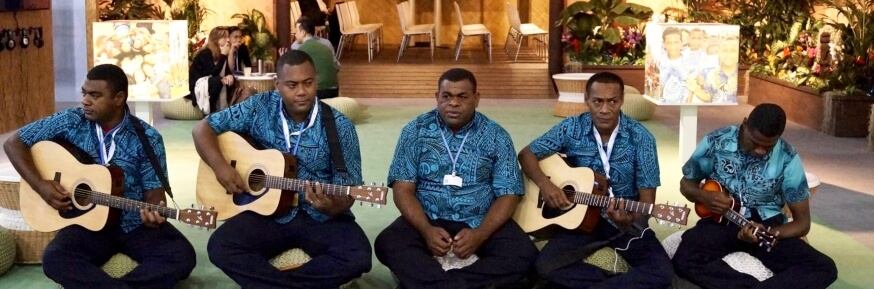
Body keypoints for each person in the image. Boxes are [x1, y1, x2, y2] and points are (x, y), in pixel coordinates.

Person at [3, 64, 196, 288]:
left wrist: (154, 214)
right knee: (55, 258)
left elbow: (154, 194)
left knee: (181, 256)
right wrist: (40, 185)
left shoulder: (147, 138)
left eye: (95, 95)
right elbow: (14, 143)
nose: (85, 100)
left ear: (119, 98)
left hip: (133, 224)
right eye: (84, 93)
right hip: (86, 224)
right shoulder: (70, 121)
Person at [195, 50, 371, 289]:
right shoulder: (259, 107)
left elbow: (349, 191)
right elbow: (202, 129)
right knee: (221, 246)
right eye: (292, 85)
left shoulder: (340, 127)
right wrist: (221, 167)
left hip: (317, 217)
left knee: (358, 256)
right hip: (267, 213)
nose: (301, 91)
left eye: (308, 83)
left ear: (316, 81)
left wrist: (332, 206)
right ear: (277, 85)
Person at [374, 68, 538, 289]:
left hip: (479, 218)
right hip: (428, 216)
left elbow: (509, 194)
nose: (453, 103)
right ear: (437, 97)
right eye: (446, 96)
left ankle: (442, 284)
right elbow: (403, 189)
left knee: (523, 254)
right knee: (387, 243)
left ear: (476, 99)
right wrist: (426, 230)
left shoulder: (496, 136)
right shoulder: (415, 131)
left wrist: (480, 234)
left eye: (462, 96)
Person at [518, 71, 673, 289]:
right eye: (597, 101)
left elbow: (646, 204)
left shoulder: (642, 138)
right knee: (544, 266)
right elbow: (527, 154)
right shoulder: (571, 127)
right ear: (586, 100)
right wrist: (546, 185)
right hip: (580, 220)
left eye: (612, 101)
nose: (605, 110)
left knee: (662, 274)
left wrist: (628, 219)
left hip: (624, 224)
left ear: (622, 101)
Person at [673, 103, 838, 289]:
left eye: (768, 146)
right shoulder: (716, 142)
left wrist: (770, 233)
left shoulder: (788, 157)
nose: (760, 150)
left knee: (824, 268)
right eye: (755, 143)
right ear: (745, 125)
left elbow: (802, 223)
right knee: (684, 259)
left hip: (766, 226)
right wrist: (703, 196)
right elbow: (686, 184)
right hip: (721, 221)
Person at [187, 26, 235, 114]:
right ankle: (212, 112)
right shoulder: (205, 53)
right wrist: (224, 54)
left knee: (231, 81)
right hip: (198, 84)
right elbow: (214, 72)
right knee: (217, 81)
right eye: (224, 37)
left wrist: (230, 76)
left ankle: (229, 110)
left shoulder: (221, 52)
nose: (228, 40)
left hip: (210, 82)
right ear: (216, 39)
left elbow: (226, 70)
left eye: (228, 37)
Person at [293, 16, 340, 99]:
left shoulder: (301, 49)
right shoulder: (326, 45)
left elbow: (295, 73)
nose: (295, 34)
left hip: (318, 92)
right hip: (334, 90)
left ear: (303, 32)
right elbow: (337, 67)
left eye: (297, 31)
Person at [688, 36, 740, 104]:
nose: (728, 54)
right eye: (725, 51)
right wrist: (695, 89)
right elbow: (708, 97)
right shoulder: (712, 74)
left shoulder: (742, 76)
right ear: (720, 53)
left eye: (733, 51)